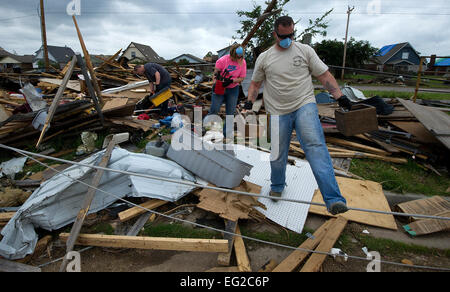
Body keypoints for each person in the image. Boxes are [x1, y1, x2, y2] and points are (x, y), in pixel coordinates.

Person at [247, 16, 352, 215]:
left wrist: (340, 96)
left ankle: (333, 199)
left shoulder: (305, 51)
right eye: (282, 36)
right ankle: (277, 186)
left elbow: (324, 76)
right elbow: (255, 83)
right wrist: (249, 102)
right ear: (274, 34)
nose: (287, 39)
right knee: (278, 155)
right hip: (277, 110)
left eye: (291, 35)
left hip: (304, 104)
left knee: (315, 146)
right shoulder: (265, 57)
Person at [205, 44, 247, 140]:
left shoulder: (242, 62)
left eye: (239, 57)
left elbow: (242, 78)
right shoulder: (222, 60)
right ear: (232, 54)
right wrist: (216, 83)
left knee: (230, 112)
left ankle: (226, 134)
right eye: (236, 57)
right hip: (220, 87)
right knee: (214, 109)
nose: (237, 59)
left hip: (233, 89)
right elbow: (215, 74)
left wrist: (231, 81)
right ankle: (205, 129)